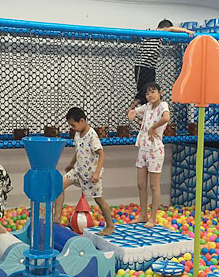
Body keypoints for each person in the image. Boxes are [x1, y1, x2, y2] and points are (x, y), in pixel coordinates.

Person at [55, 107, 114, 236]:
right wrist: (71, 164)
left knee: (99, 200)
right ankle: (57, 219)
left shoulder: (92, 135)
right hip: (77, 171)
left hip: (91, 174)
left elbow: (102, 154)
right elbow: (78, 151)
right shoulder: (77, 134)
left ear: (82, 121)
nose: (73, 128)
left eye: (74, 125)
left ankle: (110, 225)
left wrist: (97, 173)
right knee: (58, 186)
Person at [127, 82, 170, 228]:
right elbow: (135, 111)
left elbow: (166, 118)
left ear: (160, 92)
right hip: (143, 149)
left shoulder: (163, 105)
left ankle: (153, 217)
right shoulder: (147, 107)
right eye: (147, 93)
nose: (150, 95)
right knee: (141, 184)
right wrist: (132, 112)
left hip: (155, 150)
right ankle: (143, 215)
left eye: (153, 92)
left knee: (154, 185)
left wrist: (153, 128)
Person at [130, 19, 193, 109]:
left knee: (147, 89)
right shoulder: (158, 32)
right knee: (147, 89)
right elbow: (171, 29)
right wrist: (186, 31)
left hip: (147, 67)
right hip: (144, 66)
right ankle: (134, 108)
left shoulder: (149, 32)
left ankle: (138, 109)